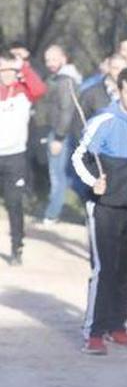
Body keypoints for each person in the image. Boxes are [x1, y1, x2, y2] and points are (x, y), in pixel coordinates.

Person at [72, 67, 127, 354]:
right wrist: (92, 181)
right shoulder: (104, 121)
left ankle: (116, 326)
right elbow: (78, 157)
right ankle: (94, 333)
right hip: (105, 208)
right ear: (119, 92)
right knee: (104, 270)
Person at [0, 47, 46, 264]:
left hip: (15, 157)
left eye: (10, 70)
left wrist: (24, 67)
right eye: (2, 70)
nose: (6, 74)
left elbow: (40, 89)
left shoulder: (23, 91)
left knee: (14, 203)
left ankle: (16, 247)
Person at [35, 44, 82, 224]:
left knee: (57, 175)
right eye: (47, 60)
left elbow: (66, 110)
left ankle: (52, 214)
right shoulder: (64, 78)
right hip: (60, 131)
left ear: (64, 58)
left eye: (54, 59)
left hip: (60, 133)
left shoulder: (65, 80)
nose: (50, 63)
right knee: (63, 174)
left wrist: (59, 138)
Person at [80, 54, 125, 121]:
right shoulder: (91, 93)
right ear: (108, 68)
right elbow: (79, 124)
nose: (120, 72)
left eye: (124, 69)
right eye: (115, 68)